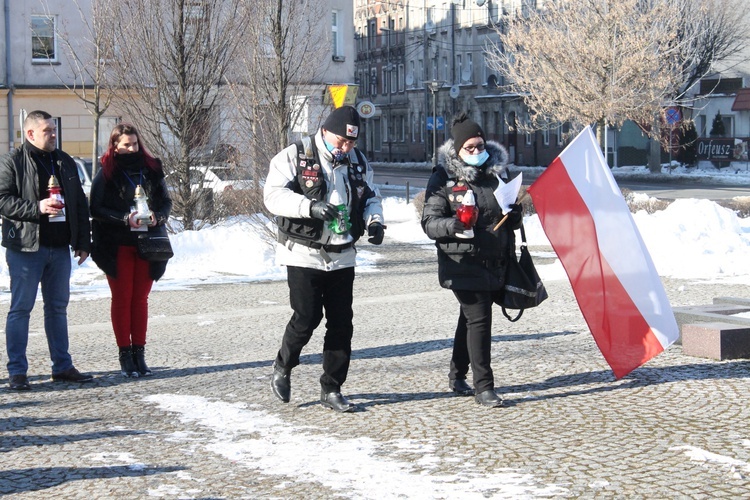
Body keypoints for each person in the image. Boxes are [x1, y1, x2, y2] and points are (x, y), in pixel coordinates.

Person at [264, 105, 385, 413]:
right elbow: (273, 196)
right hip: (304, 252)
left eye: (351, 143)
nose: (346, 148)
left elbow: (371, 196)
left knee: (342, 323)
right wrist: (309, 207)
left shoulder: (357, 161)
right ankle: (283, 365)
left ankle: (332, 387)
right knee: (306, 318)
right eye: (341, 141)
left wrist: (375, 221)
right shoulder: (295, 154)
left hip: (343, 253)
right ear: (326, 132)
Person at [421, 113, 523, 408]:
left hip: (494, 259)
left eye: (480, 146)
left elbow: (503, 213)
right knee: (479, 318)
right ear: (457, 150)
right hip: (461, 262)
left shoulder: (496, 174)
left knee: (470, 318)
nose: (478, 153)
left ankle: (457, 374)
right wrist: (452, 226)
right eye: (470, 148)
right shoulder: (443, 178)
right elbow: (429, 222)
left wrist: (514, 216)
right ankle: (484, 386)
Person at [0, 110, 93, 390]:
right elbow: (3, 200)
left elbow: (78, 203)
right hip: (26, 248)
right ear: (30, 134)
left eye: (54, 130)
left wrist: (83, 242)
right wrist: (37, 208)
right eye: (47, 131)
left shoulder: (64, 161)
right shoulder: (13, 161)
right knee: (21, 310)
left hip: (59, 248)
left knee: (57, 309)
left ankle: (62, 367)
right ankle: (17, 372)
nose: (54, 135)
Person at [89, 124, 172, 378]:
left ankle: (140, 353)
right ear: (115, 146)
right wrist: (125, 218)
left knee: (141, 300)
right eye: (126, 145)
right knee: (122, 299)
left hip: (148, 244)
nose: (131, 149)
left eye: (134, 144)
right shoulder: (106, 173)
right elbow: (96, 209)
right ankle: (125, 353)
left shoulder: (151, 169)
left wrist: (158, 216)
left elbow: (166, 202)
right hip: (117, 244)